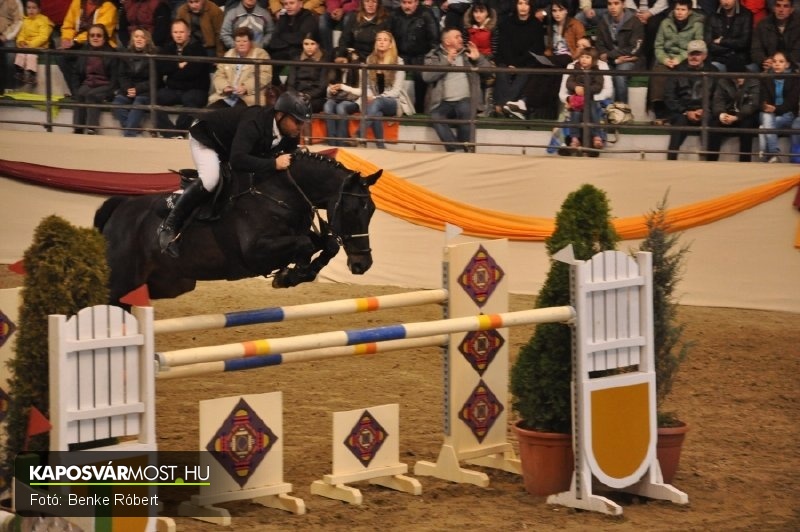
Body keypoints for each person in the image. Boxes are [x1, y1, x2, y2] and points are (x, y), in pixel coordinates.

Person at [158, 90, 313, 256]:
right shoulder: (255, 122)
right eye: (297, 121)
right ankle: (169, 225)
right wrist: (273, 163)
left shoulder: (290, 133)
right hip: (207, 137)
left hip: (230, 145)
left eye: (303, 123)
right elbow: (238, 160)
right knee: (211, 179)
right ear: (280, 115)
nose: (301, 127)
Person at [422, 26, 492, 151]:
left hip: (465, 100)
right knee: (435, 116)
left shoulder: (468, 54)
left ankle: (464, 149)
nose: (461, 39)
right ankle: (457, 149)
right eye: (457, 37)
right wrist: (446, 62)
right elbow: (427, 76)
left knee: (465, 108)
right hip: (443, 103)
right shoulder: (434, 55)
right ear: (447, 41)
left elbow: (489, 73)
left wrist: (478, 59)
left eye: (461, 36)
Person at [647, 0, 705, 124]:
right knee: (658, 72)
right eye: (677, 9)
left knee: (679, 75)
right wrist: (665, 59)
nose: (679, 12)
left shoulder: (697, 24)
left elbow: (698, 46)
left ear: (689, 11)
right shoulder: (665, 23)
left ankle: (675, 112)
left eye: (683, 10)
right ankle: (659, 113)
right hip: (667, 58)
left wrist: (680, 58)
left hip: (686, 59)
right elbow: (658, 46)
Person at [664, 40, 719, 160]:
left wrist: (705, 109)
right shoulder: (677, 71)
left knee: (714, 126)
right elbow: (669, 96)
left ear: (705, 55)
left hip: (705, 111)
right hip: (683, 111)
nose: (694, 57)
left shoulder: (713, 71)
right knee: (678, 124)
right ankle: (671, 161)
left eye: (697, 54)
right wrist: (685, 111)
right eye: (691, 54)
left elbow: (718, 96)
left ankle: (713, 165)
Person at [155, 18, 211, 137]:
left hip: (195, 89)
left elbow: (192, 73)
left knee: (191, 100)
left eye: (181, 32)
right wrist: (178, 66)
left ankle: (179, 132)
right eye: (175, 32)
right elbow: (161, 67)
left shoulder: (198, 49)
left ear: (188, 32)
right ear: (171, 33)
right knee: (154, 99)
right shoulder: (168, 48)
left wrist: (172, 70)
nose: (178, 35)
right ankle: (170, 133)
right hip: (174, 89)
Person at [492, 0, 546, 117]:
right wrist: (511, 63)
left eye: (526, 3)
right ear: (515, 5)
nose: (523, 7)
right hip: (507, 60)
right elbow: (503, 46)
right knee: (502, 72)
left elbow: (536, 49)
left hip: (527, 61)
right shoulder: (506, 23)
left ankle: (502, 105)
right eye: (520, 3)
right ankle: (507, 106)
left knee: (524, 72)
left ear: (530, 6)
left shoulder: (536, 25)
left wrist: (517, 64)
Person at [363, 30, 414, 147]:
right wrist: (370, 95)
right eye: (379, 40)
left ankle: (359, 133)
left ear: (391, 44)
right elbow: (367, 85)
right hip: (375, 102)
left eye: (385, 40)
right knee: (376, 113)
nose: (381, 42)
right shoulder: (370, 60)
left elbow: (396, 92)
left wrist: (375, 98)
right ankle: (381, 146)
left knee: (377, 102)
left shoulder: (398, 62)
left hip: (393, 102)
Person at [57, 0, 118, 96]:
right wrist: (66, 39)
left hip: (100, 44)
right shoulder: (77, 3)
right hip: (77, 44)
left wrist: (75, 40)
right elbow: (68, 25)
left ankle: (105, 93)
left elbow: (99, 32)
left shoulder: (109, 7)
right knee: (62, 58)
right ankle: (76, 93)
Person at [558, 46, 612, 154]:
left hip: (591, 99)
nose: (584, 59)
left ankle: (597, 136)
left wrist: (586, 91)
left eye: (587, 57)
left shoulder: (597, 70)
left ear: (593, 59)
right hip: (577, 100)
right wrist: (575, 88)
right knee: (575, 112)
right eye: (582, 57)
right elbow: (569, 83)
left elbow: (599, 86)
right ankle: (574, 139)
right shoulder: (574, 68)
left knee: (592, 108)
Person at [390, 0, 439, 112]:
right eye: (404, 3)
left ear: (416, 2)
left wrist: (432, 56)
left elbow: (434, 37)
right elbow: (389, 35)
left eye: (410, 3)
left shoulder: (426, 13)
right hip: (400, 54)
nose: (407, 6)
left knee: (420, 77)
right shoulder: (395, 14)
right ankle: (395, 107)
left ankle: (419, 108)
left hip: (421, 54)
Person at [595, 0, 645, 103]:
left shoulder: (635, 22)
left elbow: (634, 48)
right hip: (610, 60)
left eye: (616, 3)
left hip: (630, 60)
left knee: (620, 74)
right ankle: (608, 109)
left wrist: (609, 55)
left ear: (623, 4)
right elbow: (599, 45)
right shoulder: (603, 22)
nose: (612, 7)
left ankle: (622, 108)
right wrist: (614, 59)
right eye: (609, 4)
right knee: (604, 73)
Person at [208, 26, 271, 108]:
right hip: (227, 96)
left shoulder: (261, 54)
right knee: (211, 110)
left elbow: (264, 76)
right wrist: (225, 87)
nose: (241, 44)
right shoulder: (229, 54)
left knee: (234, 112)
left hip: (249, 98)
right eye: (238, 41)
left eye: (245, 41)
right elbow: (219, 75)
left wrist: (246, 87)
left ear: (250, 42)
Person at [112, 27, 158, 136]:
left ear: (147, 40)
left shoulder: (153, 55)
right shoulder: (126, 55)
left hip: (145, 91)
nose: (139, 39)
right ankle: (134, 128)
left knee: (138, 102)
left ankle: (129, 134)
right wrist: (128, 88)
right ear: (132, 39)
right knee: (117, 103)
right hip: (128, 90)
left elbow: (154, 79)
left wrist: (137, 89)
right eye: (136, 36)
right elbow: (122, 76)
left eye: (142, 37)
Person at [706, 66, 759, 161]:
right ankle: (711, 161)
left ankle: (745, 162)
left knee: (747, 125)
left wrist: (737, 117)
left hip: (744, 115)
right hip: (727, 113)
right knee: (714, 124)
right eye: (735, 77)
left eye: (741, 76)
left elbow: (752, 104)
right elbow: (718, 101)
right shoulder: (723, 81)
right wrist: (721, 114)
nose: (738, 79)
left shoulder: (753, 81)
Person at [72, 23, 117, 134]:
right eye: (92, 35)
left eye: (98, 35)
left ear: (104, 37)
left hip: (106, 85)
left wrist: (110, 92)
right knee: (80, 94)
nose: (95, 38)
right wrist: (76, 89)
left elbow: (115, 78)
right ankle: (78, 129)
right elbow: (76, 73)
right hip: (88, 83)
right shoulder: (84, 52)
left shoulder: (112, 53)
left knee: (91, 96)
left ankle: (91, 128)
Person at [758, 50, 800, 162]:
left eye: (781, 62)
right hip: (769, 113)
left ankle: (768, 157)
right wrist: (766, 106)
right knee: (767, 117)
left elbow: (791, 102)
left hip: (787, 114)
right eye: (774, 61)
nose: (777, 64)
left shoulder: (794, 79)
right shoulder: (766, 78)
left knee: (763, 128)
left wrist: (775, 109)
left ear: (787, 64)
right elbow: (762, 99)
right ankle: (773, 154)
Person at [268, 0, 318, 86]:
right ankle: (275, 87)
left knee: (296, 59)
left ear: (300, 4)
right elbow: (274, 41)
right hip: (283, 51)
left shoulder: (309, 18)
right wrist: (291, 41)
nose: (288, 6)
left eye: (291, 3)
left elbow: (301, 39)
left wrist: (282, 36)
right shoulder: (283, 17)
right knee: (269, 60)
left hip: (301, 52)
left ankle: (289, 88)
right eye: (285, 4)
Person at [323, 51, 362, 145]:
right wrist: (330, 90)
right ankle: (332, 142)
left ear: (348, 59)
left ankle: (342, 142)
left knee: (341, 107)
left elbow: (361, 92)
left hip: (353, 100)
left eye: (343, 62)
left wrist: (343, 87)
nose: (340, 65)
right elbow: (328, 93)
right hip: (336, 98)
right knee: (327, 106)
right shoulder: (334, 71)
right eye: (337, 63)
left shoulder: (357, 70)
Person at [286, 29, 329, 112]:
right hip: (297, 96)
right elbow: (290, 83)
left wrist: (308, 95)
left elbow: (322, 87)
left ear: (318, 45)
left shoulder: (324, 61)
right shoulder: (296, 59)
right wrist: (296, 95)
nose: (309, 47)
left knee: (304, 106)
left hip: (315, 98)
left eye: (312, 44)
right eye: (306, 44)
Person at [704, 0, 752, 73]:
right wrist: (731, 50)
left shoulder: (746, 15)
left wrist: (721, 41)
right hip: (719, 59)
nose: (726, 2)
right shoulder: (712, 16)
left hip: (740, 59)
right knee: (713, 67)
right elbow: (709, 44)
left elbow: (744, 42)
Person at [750, 0, 800, 71]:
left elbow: (797, 51)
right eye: (778, 5)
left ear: (791, 10)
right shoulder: (762, 24)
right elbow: (756, 49)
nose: (781, 10)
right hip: (768, 63)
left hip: (790, 64)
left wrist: (781, 62)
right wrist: (765, 60)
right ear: (774, 8)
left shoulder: (798, 25)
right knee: (748, 69)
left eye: (785, 6)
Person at [14, 0, 53, 89]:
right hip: (27, 45)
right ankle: (19, 71)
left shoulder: (43, 19)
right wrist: (21, 42)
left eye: (34, 8)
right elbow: (21, 35)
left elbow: (43, 36)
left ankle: (32, 75)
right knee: (20, 52)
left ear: (39, 9)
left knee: (31, 55)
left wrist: (31, 45)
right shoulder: (25, 21)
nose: (31, 10)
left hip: (40, 45)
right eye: (29, 8)